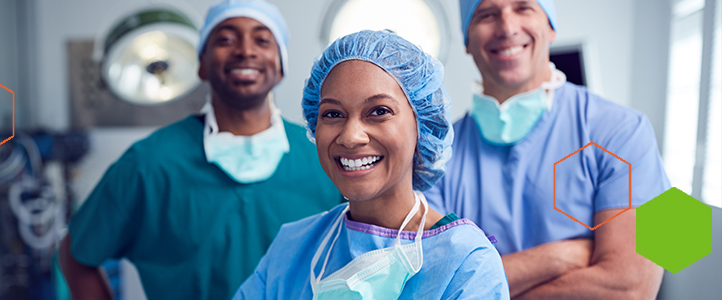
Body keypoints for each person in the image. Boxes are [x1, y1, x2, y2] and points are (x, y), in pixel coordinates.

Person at [59, 0, 343, 299]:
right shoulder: (151, 162)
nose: (245, 50)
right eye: (225, 39)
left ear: (281, 64)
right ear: (202, 64)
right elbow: (77, 253)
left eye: (262, 39)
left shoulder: (322, 155)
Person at [233, 30, 510, 299]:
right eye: (333, 114)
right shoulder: (292, 249)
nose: (351, 136)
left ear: (422, 125)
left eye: (379, 111)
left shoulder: (465, 264)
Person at [423, 0, 670, 298]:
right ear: (466, 40)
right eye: (487, 14)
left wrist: (481, 285)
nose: (507, 27)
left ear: (551, 27)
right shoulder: (432, 156)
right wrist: (560, 257)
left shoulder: (625, 131)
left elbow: (632, 288)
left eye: (524, 8)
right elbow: (430, 289)